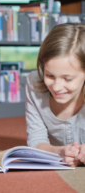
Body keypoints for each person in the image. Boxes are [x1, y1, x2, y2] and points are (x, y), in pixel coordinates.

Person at [25, 23, 85, 167]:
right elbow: (36, 141)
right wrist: (60, 152)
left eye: (67, 79)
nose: (56, 87)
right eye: (49, 75)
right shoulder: (34, 83)